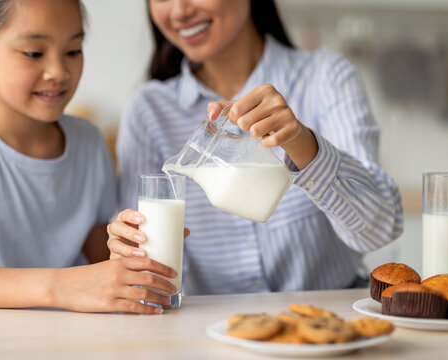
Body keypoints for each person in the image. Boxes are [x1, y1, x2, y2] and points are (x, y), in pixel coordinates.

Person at [107, 0, 404, 295]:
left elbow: (379, 232)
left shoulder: (326, 77)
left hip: (327, 324)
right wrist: (128, 249)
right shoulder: (148, 110)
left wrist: (301, 141)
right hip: (209, 332)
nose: (180, 10)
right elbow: (146, 265)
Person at [0, 0, 178, 314]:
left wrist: (128, 249)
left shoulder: (88, 142)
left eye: (73, 51)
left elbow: (101, 265)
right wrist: (58, 286)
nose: (59, 71)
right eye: (34, 53)